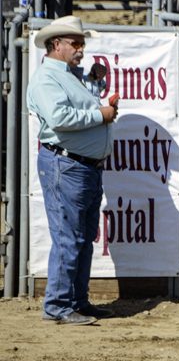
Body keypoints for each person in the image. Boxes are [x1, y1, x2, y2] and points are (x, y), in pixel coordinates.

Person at [27, 17, 119, 326]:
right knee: (70, 237)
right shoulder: (46, 78)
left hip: (81, 166)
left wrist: (94, 83)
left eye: (82, 44)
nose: (81, 49)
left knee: (81, 237)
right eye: (75, 43)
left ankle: (76, 301)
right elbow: (60, 118)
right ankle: (57, 305)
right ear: (56, 44)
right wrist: (101, 114)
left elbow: (75, 106)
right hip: (67, 165)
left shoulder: (68, 76)